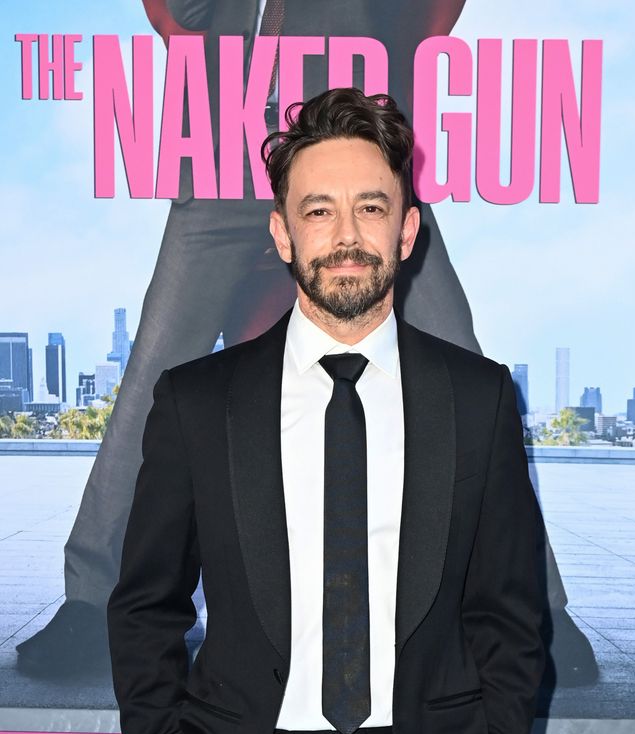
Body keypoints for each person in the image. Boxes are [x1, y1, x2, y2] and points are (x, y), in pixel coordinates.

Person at [106, 87, 546, 734]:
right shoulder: (197, 402)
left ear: (409, 230)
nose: (345, 234)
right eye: (319, 209)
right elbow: (145, 605)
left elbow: (509, 614)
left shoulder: (478, 401)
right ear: (280, 233)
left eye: (370, 208)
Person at [15, 0, 596, 692]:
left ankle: (539, 607)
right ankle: (91, 599)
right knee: (155, 365)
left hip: (350, 133)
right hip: (227, 138)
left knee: (459, 355)